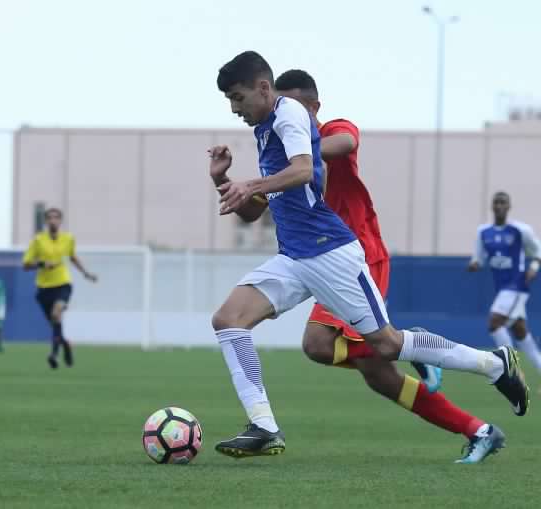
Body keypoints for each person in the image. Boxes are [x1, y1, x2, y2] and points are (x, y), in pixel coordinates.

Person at [208, 50, 528, 460]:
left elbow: (305, 170)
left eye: (238, 98)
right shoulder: (267, 129)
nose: (235, 108)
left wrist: (254, 180)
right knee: (229, 321)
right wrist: (224, 180)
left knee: (388, 344)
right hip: (294, 258)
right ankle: (264, 426)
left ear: (264, 89)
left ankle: (493, 365)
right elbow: (256, 210)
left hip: (331, 254)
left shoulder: (289, 113)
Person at [273, 69, 499, 463]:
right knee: (378, 373)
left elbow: (344, 142)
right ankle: (479, 430)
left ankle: (412, 344)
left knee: (318, 343)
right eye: (282, 108)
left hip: (358, 255)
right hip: (323, 260)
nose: (287, 115)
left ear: (314, 107)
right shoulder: (282, 154)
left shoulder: (330, 133)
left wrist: (301, 152)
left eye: (295, 107)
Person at [469, 191, 541, 377]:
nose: (499, 206)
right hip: (502, 288)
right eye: (496, 202)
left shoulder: (520, 230)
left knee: (494, 322)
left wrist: (533, 266)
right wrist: (475, 263)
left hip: (517, 286)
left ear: (509, 207)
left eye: (503, 202)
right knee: (521, 332)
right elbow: (480, 257)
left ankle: (513, 368)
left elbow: (537, 250)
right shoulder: (484, 232)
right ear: (492, 206)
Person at [22, 207, 97, 369]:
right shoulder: (38, 241)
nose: (53, 220)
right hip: (44, 288)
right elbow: (26, 264)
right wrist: (42, 263)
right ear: (45, 221)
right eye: (49, 218)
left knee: (57, 314)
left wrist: (86, 273)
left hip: (63, 284)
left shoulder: (68, 239)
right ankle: (66, 345)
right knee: (55, 325)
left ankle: (53, 355)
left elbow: (73, 256)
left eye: (56, 218)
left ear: (61, 221)